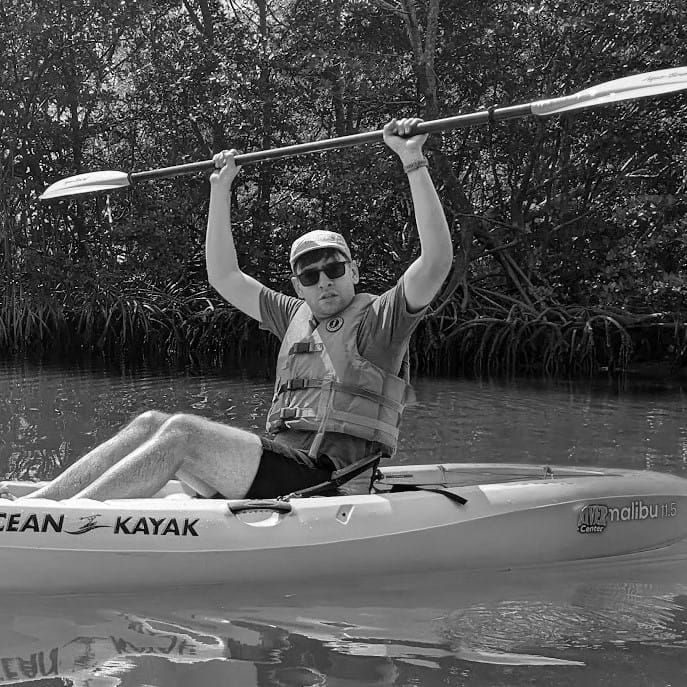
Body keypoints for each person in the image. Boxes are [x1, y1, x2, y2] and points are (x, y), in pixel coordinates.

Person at [2, 118, 452, 502]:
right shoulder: (293, 315)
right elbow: (224, 277)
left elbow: (434, 262)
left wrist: (412, 160)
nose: (324, 280)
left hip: (329, 479)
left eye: (334, 267)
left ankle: (62, 520)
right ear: (298, 284)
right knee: (149, 423)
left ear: (353, 270)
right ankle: (40, 505)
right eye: (310, 275)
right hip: (285, 467)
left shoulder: (380, 321)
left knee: (181, 432)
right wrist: (220, 190)